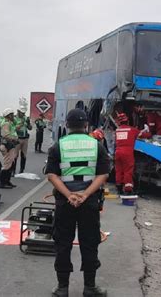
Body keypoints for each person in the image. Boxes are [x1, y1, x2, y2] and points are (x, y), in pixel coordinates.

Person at [45, 108, 109, 297]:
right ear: (86, 125)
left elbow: (52, 175)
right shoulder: (97, 145)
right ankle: (90, 288)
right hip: (88, 203)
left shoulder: (58, 146)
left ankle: (62, 288)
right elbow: (103, 174)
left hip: (65, 203)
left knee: (63, 242)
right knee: (89, 242)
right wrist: (85, 194)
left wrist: (69, 195)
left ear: (67, 126)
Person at [114, 113, 146, 195]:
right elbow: (142, 135)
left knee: (119, 169)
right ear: (128, 121)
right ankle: (128, 189)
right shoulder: (132, 130)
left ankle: (119, 187)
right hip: (127, 152)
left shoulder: (117, 130)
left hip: (118, 152)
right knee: (128, 170)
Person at [0, 108, 18, 189]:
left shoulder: (10, 123)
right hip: (7, 145)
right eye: (12, 114)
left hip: (10, 145)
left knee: (11, 164)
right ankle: (2, 183)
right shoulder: (6, 123)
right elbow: (6, 135)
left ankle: (7, 181)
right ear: (8, 115)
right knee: (7, 165)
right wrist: (14, 138)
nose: (13, 116)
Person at [13, 107, 32, 173]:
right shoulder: (14, 118)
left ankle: (21, 170)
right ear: (18, 111)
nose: (23, 114)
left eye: (24, 113)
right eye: (22, 113)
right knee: (15, 155)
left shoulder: (26, 118)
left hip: (25, 139)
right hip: (17, 138)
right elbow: (13, 129)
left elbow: (30, 128)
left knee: (24, 155)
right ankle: (13, 170)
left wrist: (28, 123)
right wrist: (22, 123)